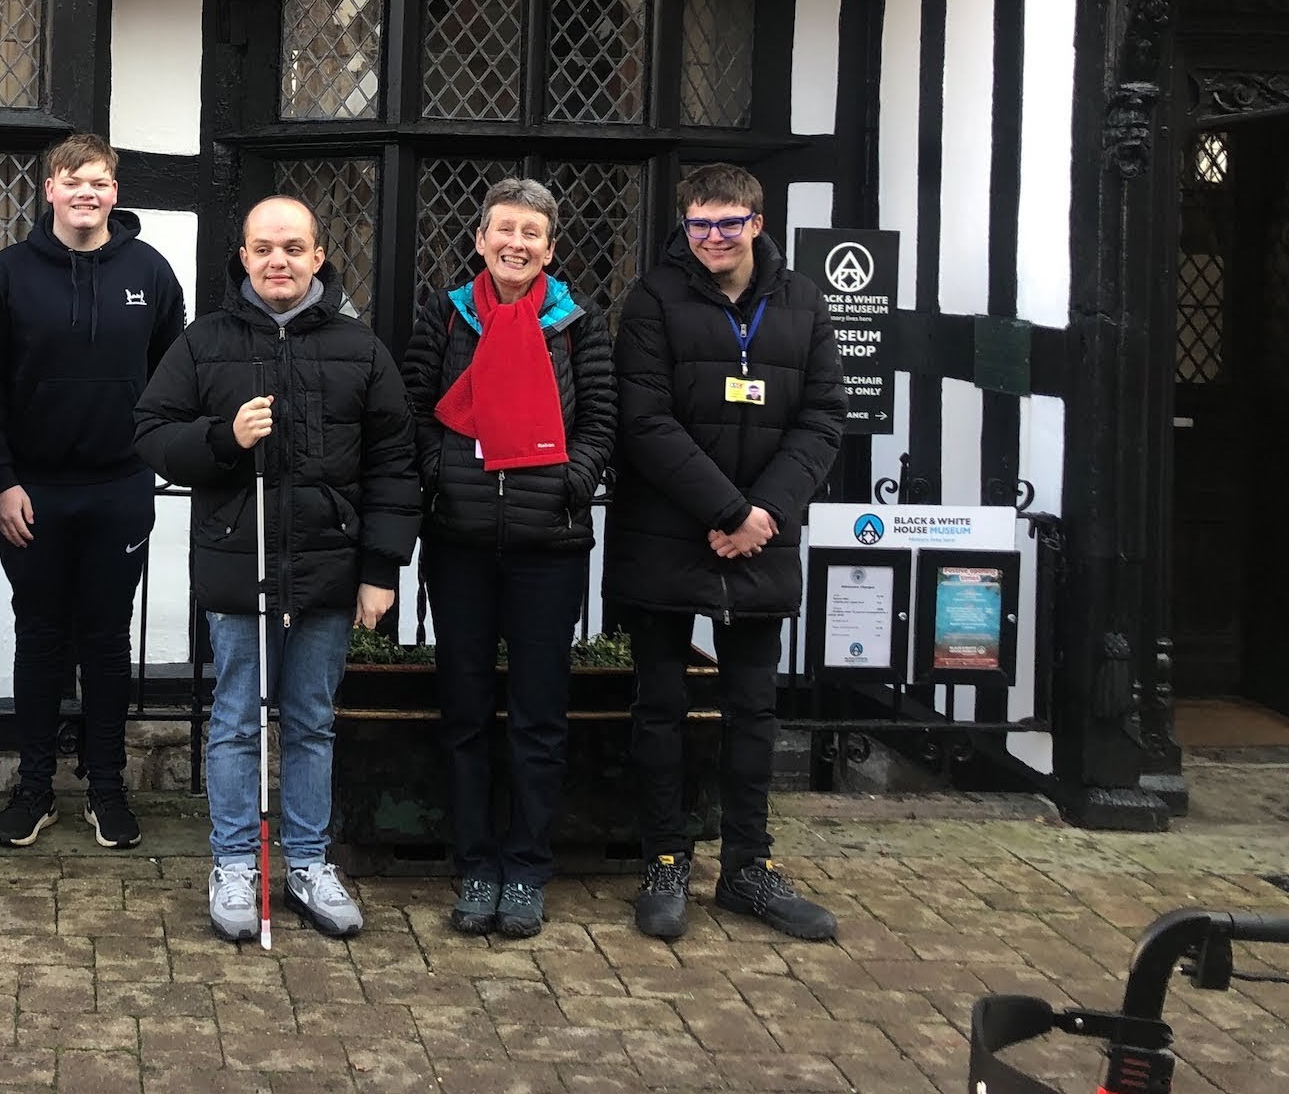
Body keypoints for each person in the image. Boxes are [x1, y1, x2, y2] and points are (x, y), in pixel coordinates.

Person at [134, 194, 418, 942]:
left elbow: (394, 464)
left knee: (312, 723)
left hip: (328, 568)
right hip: (240, 565)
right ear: (245, 257)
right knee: (233, 721)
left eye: (293, 248)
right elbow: (154, 435)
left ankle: (308, 862)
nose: (278, 262)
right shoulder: (205, 343)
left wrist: (381, 567)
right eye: (263, 248)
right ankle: (234, 861)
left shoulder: (360, 349)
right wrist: (223, 438)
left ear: (318, 256)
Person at [607, 162, 845, 942]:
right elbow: (645, 420)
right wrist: (727, 509)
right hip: (668, 530)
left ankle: (748, 866)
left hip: (761, 538)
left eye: (729, 223)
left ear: (757, 223)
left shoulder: (806, 304)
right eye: (701, 224)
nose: (714, 237)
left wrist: (764, 514)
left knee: (753, 708)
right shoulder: (651, 301)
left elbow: (822, 420)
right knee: (661, 707)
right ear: (685, 227)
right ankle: (666, 858)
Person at [401, 178, 615, 940]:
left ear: (550, 249)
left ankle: (525, 866)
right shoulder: (446, 315)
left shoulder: (576, 326)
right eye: (504, 231)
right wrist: (441, 480)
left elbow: (601, 418)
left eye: (532, 233)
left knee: (536, 716)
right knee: (462, 713)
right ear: (482, 240)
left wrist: (571, 481)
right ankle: (476, 863)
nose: (516, 244)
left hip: (547, 549)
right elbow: (415, 410)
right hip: (458, 543)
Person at [0, 134, 185, 851]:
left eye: (100, 182)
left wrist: (149, 466)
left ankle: (107, 788)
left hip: (118, 488)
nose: (87, 193)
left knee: (106, 641)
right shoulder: (6, 276)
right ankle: (34, 788)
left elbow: (167, 384)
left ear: (115, 192)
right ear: (50, 189)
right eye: (73, 180)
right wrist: (2, 482)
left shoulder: (151, 274)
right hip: (32, 493)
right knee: (39, 638)